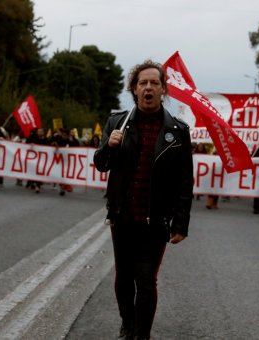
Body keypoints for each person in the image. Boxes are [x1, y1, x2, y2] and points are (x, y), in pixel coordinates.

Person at [93, 60, 193, 340]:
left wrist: (180, 223)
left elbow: (186, 180)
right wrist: (110, 147)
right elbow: (101, 164)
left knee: (146, 280)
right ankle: (128, 322)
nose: (148, 88)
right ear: (134, 90)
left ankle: (141, 335)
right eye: (143, 83)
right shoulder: (117, 122)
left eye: (154, 83)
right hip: (123, 217)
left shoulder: (178, 132)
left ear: (164, 90)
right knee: (124, 279)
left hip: (156, 221)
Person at [51, 128, 80, 196]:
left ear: (67, 136)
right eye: (63, 135)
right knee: (59, 175)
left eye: (65, 135)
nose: (63, 136)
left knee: (65, 175)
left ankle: (63, 189)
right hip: (59, 161)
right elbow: (52, 146)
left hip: (68, 162)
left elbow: (77, 147)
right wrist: (54, 145)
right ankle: (63, 186)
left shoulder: (70, 141)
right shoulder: (58, 140)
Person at [25, 128, 49, 193]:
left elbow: (49, 147)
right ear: (37, 132)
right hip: (34, 158)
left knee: (40, 171)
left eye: (41, 131)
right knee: (34, 171)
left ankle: (36, 184)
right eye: (39, 131)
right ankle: (36, 185)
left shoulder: (46, 139)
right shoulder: (34, 138)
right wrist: (31, 144)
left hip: (42, 158)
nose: (40, 132)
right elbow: (27, 144)